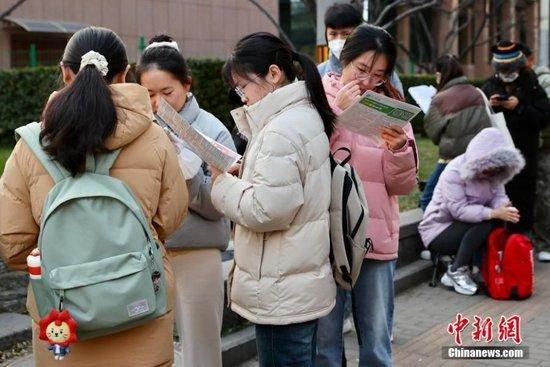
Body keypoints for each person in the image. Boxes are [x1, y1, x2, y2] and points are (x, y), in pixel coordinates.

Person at [0, 27, 187, 367]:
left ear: (64, 71)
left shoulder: (30, 146)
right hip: (141, 309)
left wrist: (71, 263)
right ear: (125, 74)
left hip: (64, 324)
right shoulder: (154, 138)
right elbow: (169, 219)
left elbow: (14, 245)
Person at [210, 32, 337, 366]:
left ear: (273, 74)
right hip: (295, 283)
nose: (242, 96)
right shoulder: (302, 115)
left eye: (243, 86)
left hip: (282, 291)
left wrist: (220, 183)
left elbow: (267, 210)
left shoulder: (279, 130)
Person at [317, 24, 418, 367]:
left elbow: (403, 185)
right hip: (327, 239)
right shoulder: (317, 98)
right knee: (325, 347)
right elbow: (309, 163)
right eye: (361, 69)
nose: (368, 81)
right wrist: (336, 117)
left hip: (376, 238)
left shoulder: (392, 108)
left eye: (378, 74)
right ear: (343, 59)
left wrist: (400, 149)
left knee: (376, 344)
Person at [136, 35, 236, 367]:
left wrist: (188, 172)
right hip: (148, 255)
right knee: (151, 348)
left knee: (201, 349)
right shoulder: (137, 128)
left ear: (187, 84)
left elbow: (218, 206)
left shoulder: (212, 129)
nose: (157, 102)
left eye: (167, 92)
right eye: (149, 93)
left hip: (197, 252)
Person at [419, 128, 525, 295]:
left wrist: (505, 208)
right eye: (488, 166)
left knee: (496, 220)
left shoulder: (495, 172)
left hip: (466, 227)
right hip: (438, 231)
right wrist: (494, 213)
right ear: (478, 160)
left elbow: (498, 196)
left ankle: (482, 268)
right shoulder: (454, 172)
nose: (491, 172)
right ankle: (456, 271)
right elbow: (458, 211)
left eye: (496, 167)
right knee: (485, 221)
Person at [482, 41, 550, 236]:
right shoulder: (490, 85)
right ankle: (497, 243)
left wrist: (520, 108)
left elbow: (543, 117)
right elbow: (479, 119)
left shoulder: (533, 86)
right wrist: (490, 105)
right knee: (496, 198)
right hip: (496, 155)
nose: (507, 73)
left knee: (524, 199)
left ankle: (521, 242)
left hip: (525, 155)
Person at [420, 55, 492, 211]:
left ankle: (433, 233)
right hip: (477, 158)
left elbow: (432, 132)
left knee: (427, 198)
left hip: (450, 159)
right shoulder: (476, 93)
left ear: (439, 74)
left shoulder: (439, 99)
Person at [317, 3, 404, 96]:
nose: (366, 82)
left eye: (346, 34)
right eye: (333, 34)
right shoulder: (319, 72)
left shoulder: (387, 77)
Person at [521, 44, 550, 262]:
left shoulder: (541, 82)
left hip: (541, 149)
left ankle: (542, 243)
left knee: (542, 196)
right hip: (531, 149)